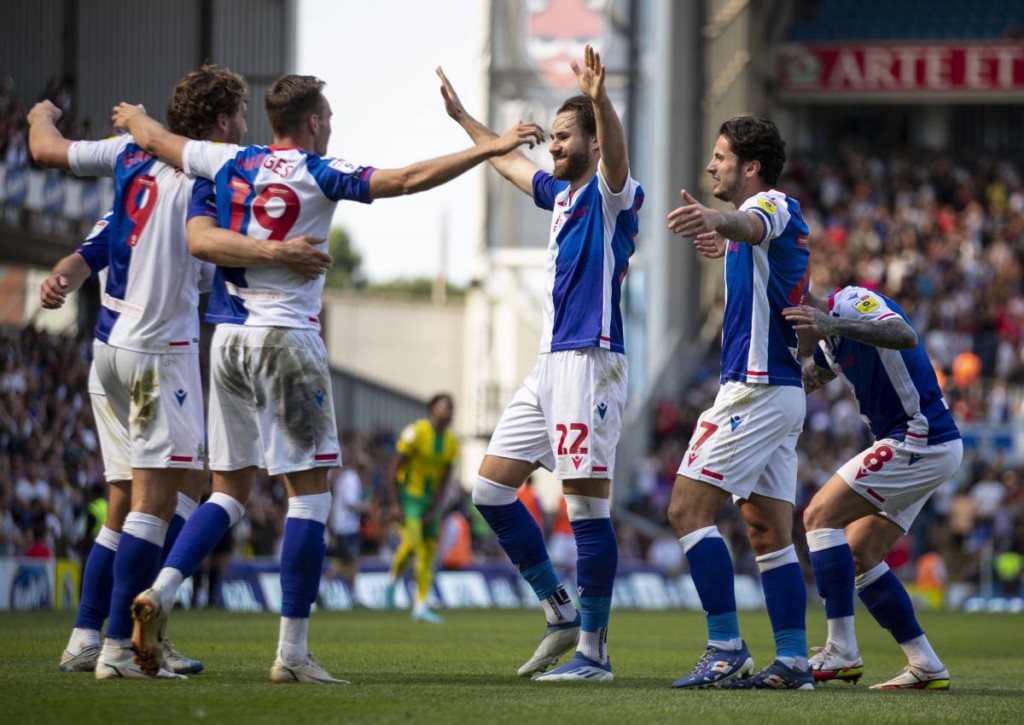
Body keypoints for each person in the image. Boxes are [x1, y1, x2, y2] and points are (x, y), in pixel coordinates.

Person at [112, 73, 545, 685]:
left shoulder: (229, 159)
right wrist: (489, 147)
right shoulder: (320, 170)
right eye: (330, 116)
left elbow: (160, 141)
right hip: (287, 340)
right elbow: (406, 180)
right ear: (313, 122)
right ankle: (291, 654)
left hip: (227, 341)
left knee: (229, 491)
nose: (333, 125)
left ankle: (162, 587)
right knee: (309, 497)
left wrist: (134, 117)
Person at [26, 65, 271, 681]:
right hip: (159, 352)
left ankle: (89, 636)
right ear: (220, 121)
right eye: (240, 113)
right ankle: (121, 646)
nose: (245, 125)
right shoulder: (214, 165)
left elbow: (49, 157)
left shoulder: (129, 154)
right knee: (159, 503)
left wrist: (41, 114)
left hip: (109, 348)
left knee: (132, 500)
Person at [437, 44, 643, 682]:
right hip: (548, 365)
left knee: (585, 508)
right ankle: (559, 610)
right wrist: (467, 120)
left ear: (591, 141)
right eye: (550, 137)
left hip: (591, 360)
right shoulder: (558, 197)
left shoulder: (614, 195)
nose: (552, 147)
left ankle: (595, 652)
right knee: (491, 490)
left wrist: (601, 100)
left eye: (562, 137)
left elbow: (616, 152)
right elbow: (506, 161)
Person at [664, 116, 812, 690]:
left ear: (750, 167)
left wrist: (720, 221)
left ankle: (725, 647)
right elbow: (750, 240)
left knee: (685, 509)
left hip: (755, 388)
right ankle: (795, 660)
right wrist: (721, 236)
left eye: (721, 156)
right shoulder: (757, 228)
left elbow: (754, 223)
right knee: (768, 534)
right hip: (779, 393)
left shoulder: (776, 205)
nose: (711, 165)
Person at [41, 214, 207, 675]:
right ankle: (138, 637)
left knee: (124, 506)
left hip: (112, 357)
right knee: (179, 488)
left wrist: (59, 280)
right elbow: (82, 260)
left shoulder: (130, 202)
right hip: (155, 359)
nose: (231, 134)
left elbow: (81, 258)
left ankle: (84, 639)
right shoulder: (192, 197)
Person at [784, 286, 962, 690]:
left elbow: (904, 335)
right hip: (924, 444)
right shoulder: (829, 345)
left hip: (918, 437)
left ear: (804, 312)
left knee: (818, 516)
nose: (797, 343)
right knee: (861, 551)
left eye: (794, 332)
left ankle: (841, 650)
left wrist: (832, 322)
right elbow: (810, 379)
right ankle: (925, 663)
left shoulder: (851, 301)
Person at [383, 393, 459, 623]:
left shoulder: (451, 443)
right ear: (432, 408)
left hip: (430, 502)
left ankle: (420, 605)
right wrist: (396, 503)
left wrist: (434, 508)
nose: (449, 411)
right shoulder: (415, 432)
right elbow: (394, 468)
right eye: (445, 406)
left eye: (452, 407)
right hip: (410, 498)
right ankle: (392, 580)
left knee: (428, 553)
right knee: (413, 544)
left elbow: (445, 480)